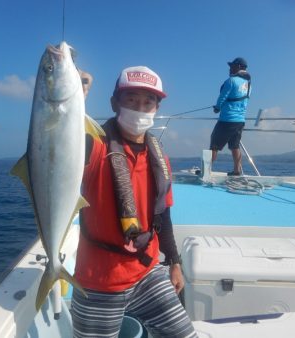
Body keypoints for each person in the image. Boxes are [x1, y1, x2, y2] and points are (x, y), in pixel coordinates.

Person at [72, 66, 197, 338]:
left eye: (148, 101)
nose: (140, 108)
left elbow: (163, 217)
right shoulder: (95, 146)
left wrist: (174, 261)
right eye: (131, 100)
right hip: (99, 282)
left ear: (156, 107)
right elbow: (65, 144)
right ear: (114, 102)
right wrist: (74, 96)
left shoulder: (159, 156)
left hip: (148, 273)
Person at [210, 57, 251, 176]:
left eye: (232, 66)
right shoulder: (249, 84)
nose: (229, 68)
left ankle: (206, 169)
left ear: (238, 67)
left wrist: (217, 108)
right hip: (240, 121)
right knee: (235, 146)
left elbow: (222, 97)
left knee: (214, 145)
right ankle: (237, 170)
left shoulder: (231, 81)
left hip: (227, 120)